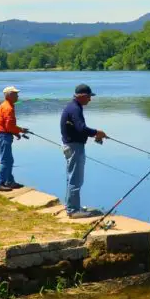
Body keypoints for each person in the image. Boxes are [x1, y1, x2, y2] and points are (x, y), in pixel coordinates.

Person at [59, 83, 107, 218]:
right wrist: (97, 132)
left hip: (69, 145)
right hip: (74, 147)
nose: (90, 99)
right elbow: (81, 128)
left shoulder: (72, 106)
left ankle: (72, 206)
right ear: (82, 96)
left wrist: (93, 134)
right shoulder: (75, 108)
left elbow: (77, 129)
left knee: (72, 177)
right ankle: (74, 211)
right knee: (76, 178)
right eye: (89, 97)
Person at [0, 86, 29, 192]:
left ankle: (9, 181)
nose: (17, 95)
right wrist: (20, 130)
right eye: (15, 94)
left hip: (3, 134)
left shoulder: (6, 105)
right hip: (3, 136)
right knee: (6, 160)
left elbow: (8, 126)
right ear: (9, 95)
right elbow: (9, 127)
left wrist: (16, 133)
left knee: (8, 160)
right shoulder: (8, 107)